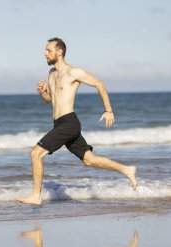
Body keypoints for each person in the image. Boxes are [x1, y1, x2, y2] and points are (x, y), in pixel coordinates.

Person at [17, 37, 137, 205]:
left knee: (36, 153)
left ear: (59, 52)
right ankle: (127, 170)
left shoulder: (73, 72)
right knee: (89, 160)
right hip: (60, 124)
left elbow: (99, 84)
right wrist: (42, 93)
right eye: (45, 50)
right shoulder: (51, 74)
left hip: (69, 123)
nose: (45, 54)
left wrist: (108, 110)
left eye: (48, 50)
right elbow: (51, 100)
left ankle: (36, 196)